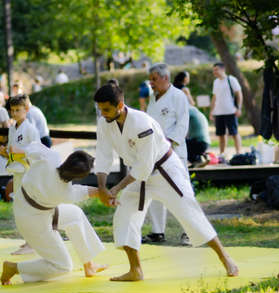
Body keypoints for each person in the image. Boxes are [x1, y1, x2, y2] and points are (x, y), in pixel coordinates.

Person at [93, 81, 238, 281]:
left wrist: (115, 188)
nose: (103, 114)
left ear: (120, 105)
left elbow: (144, 166)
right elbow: (103, 155)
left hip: (165, 171)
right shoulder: (104, 123)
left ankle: (225, 257)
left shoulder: (142, 123)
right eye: (100, 110)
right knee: (124, 216)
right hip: (136, 176)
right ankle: (136, 270)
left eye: (106, 109)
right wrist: (102, 188)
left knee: (189, 212)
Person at [0, 142, 107, 285]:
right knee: (63, 266)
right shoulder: (65, 193)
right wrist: (107, 193)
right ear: (78, 177)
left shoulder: (51, 157)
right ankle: (14, 268)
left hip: (25, 206)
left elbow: (27, 149)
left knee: (75, 215)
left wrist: (9, 152)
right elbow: (87, 192)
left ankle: (89, 264)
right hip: (32, 223)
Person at [145, 64, 189, 245]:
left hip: (174, 152)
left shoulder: (178, 96)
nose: (151, 83)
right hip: (154, 152)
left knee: (182, 191)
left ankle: (189, 231)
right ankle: (157, 231)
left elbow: (182, 124)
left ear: (165, 78)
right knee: (155, 190)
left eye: (154, 79)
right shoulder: (153, 98)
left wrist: (169, 143)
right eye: (150, 79)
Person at [0, 94, 40, 255]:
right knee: (20, 207)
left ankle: (33, 243)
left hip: (29, 173)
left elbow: (37, 152)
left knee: (29, 207)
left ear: (26, 110)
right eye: (12, 110)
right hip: (17, 172)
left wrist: (21, 151)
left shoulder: (31, 129)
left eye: (18, 110)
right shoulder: (12, 128)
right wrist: (3, 151)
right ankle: (28, 240)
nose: (14, 113)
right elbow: (11, 152)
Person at [209, 62, 243, 159]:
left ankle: (238, 152)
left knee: (234, 133)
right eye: (213, 70)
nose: (214, 72)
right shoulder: (215, 82)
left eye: (216, 70)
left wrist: (239, 108)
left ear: (222, 69)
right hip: (218, 112)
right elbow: (214, 97)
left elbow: (239, 94)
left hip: (230, 111)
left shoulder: (231, 79)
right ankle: (222, 154)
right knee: (221, 134)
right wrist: (211, 111)